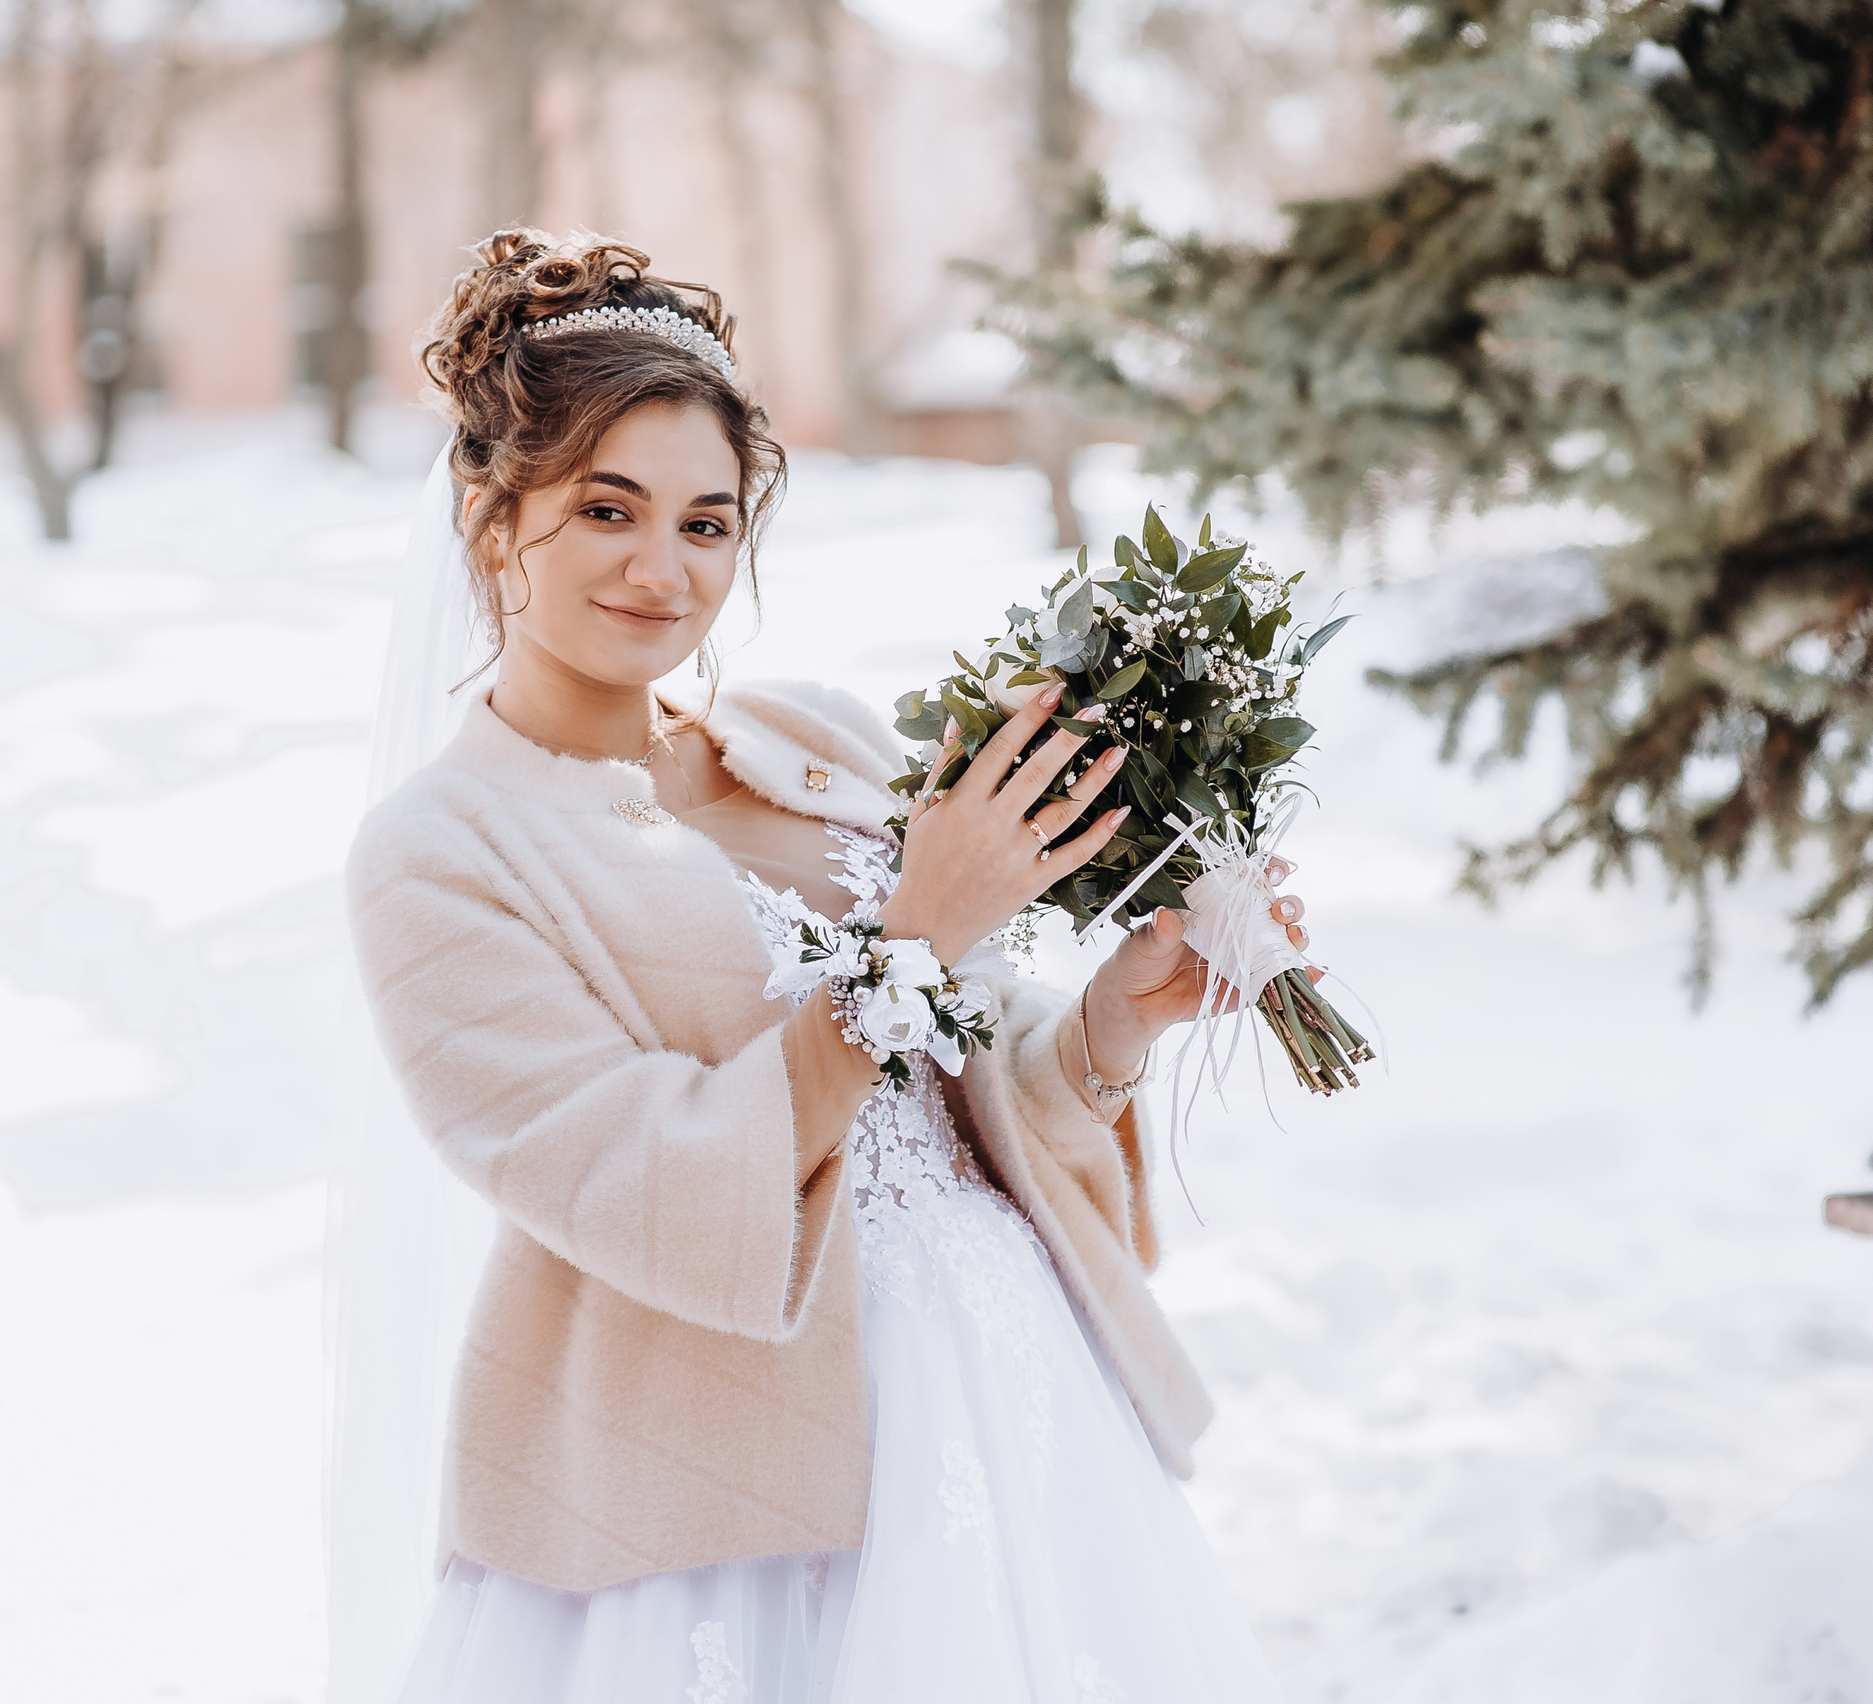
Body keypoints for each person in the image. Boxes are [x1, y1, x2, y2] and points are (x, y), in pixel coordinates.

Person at [346, 228, 1306, 1702]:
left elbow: (958, 1093)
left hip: (1005, 1405)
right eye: (605, 508)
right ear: (491, 518)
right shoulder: (441, 851)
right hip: (708, 1486)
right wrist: (912, 937)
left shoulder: (819, 743)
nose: (662, 570)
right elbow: (629, 1179)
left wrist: (1114, 1024)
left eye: (708, 522)